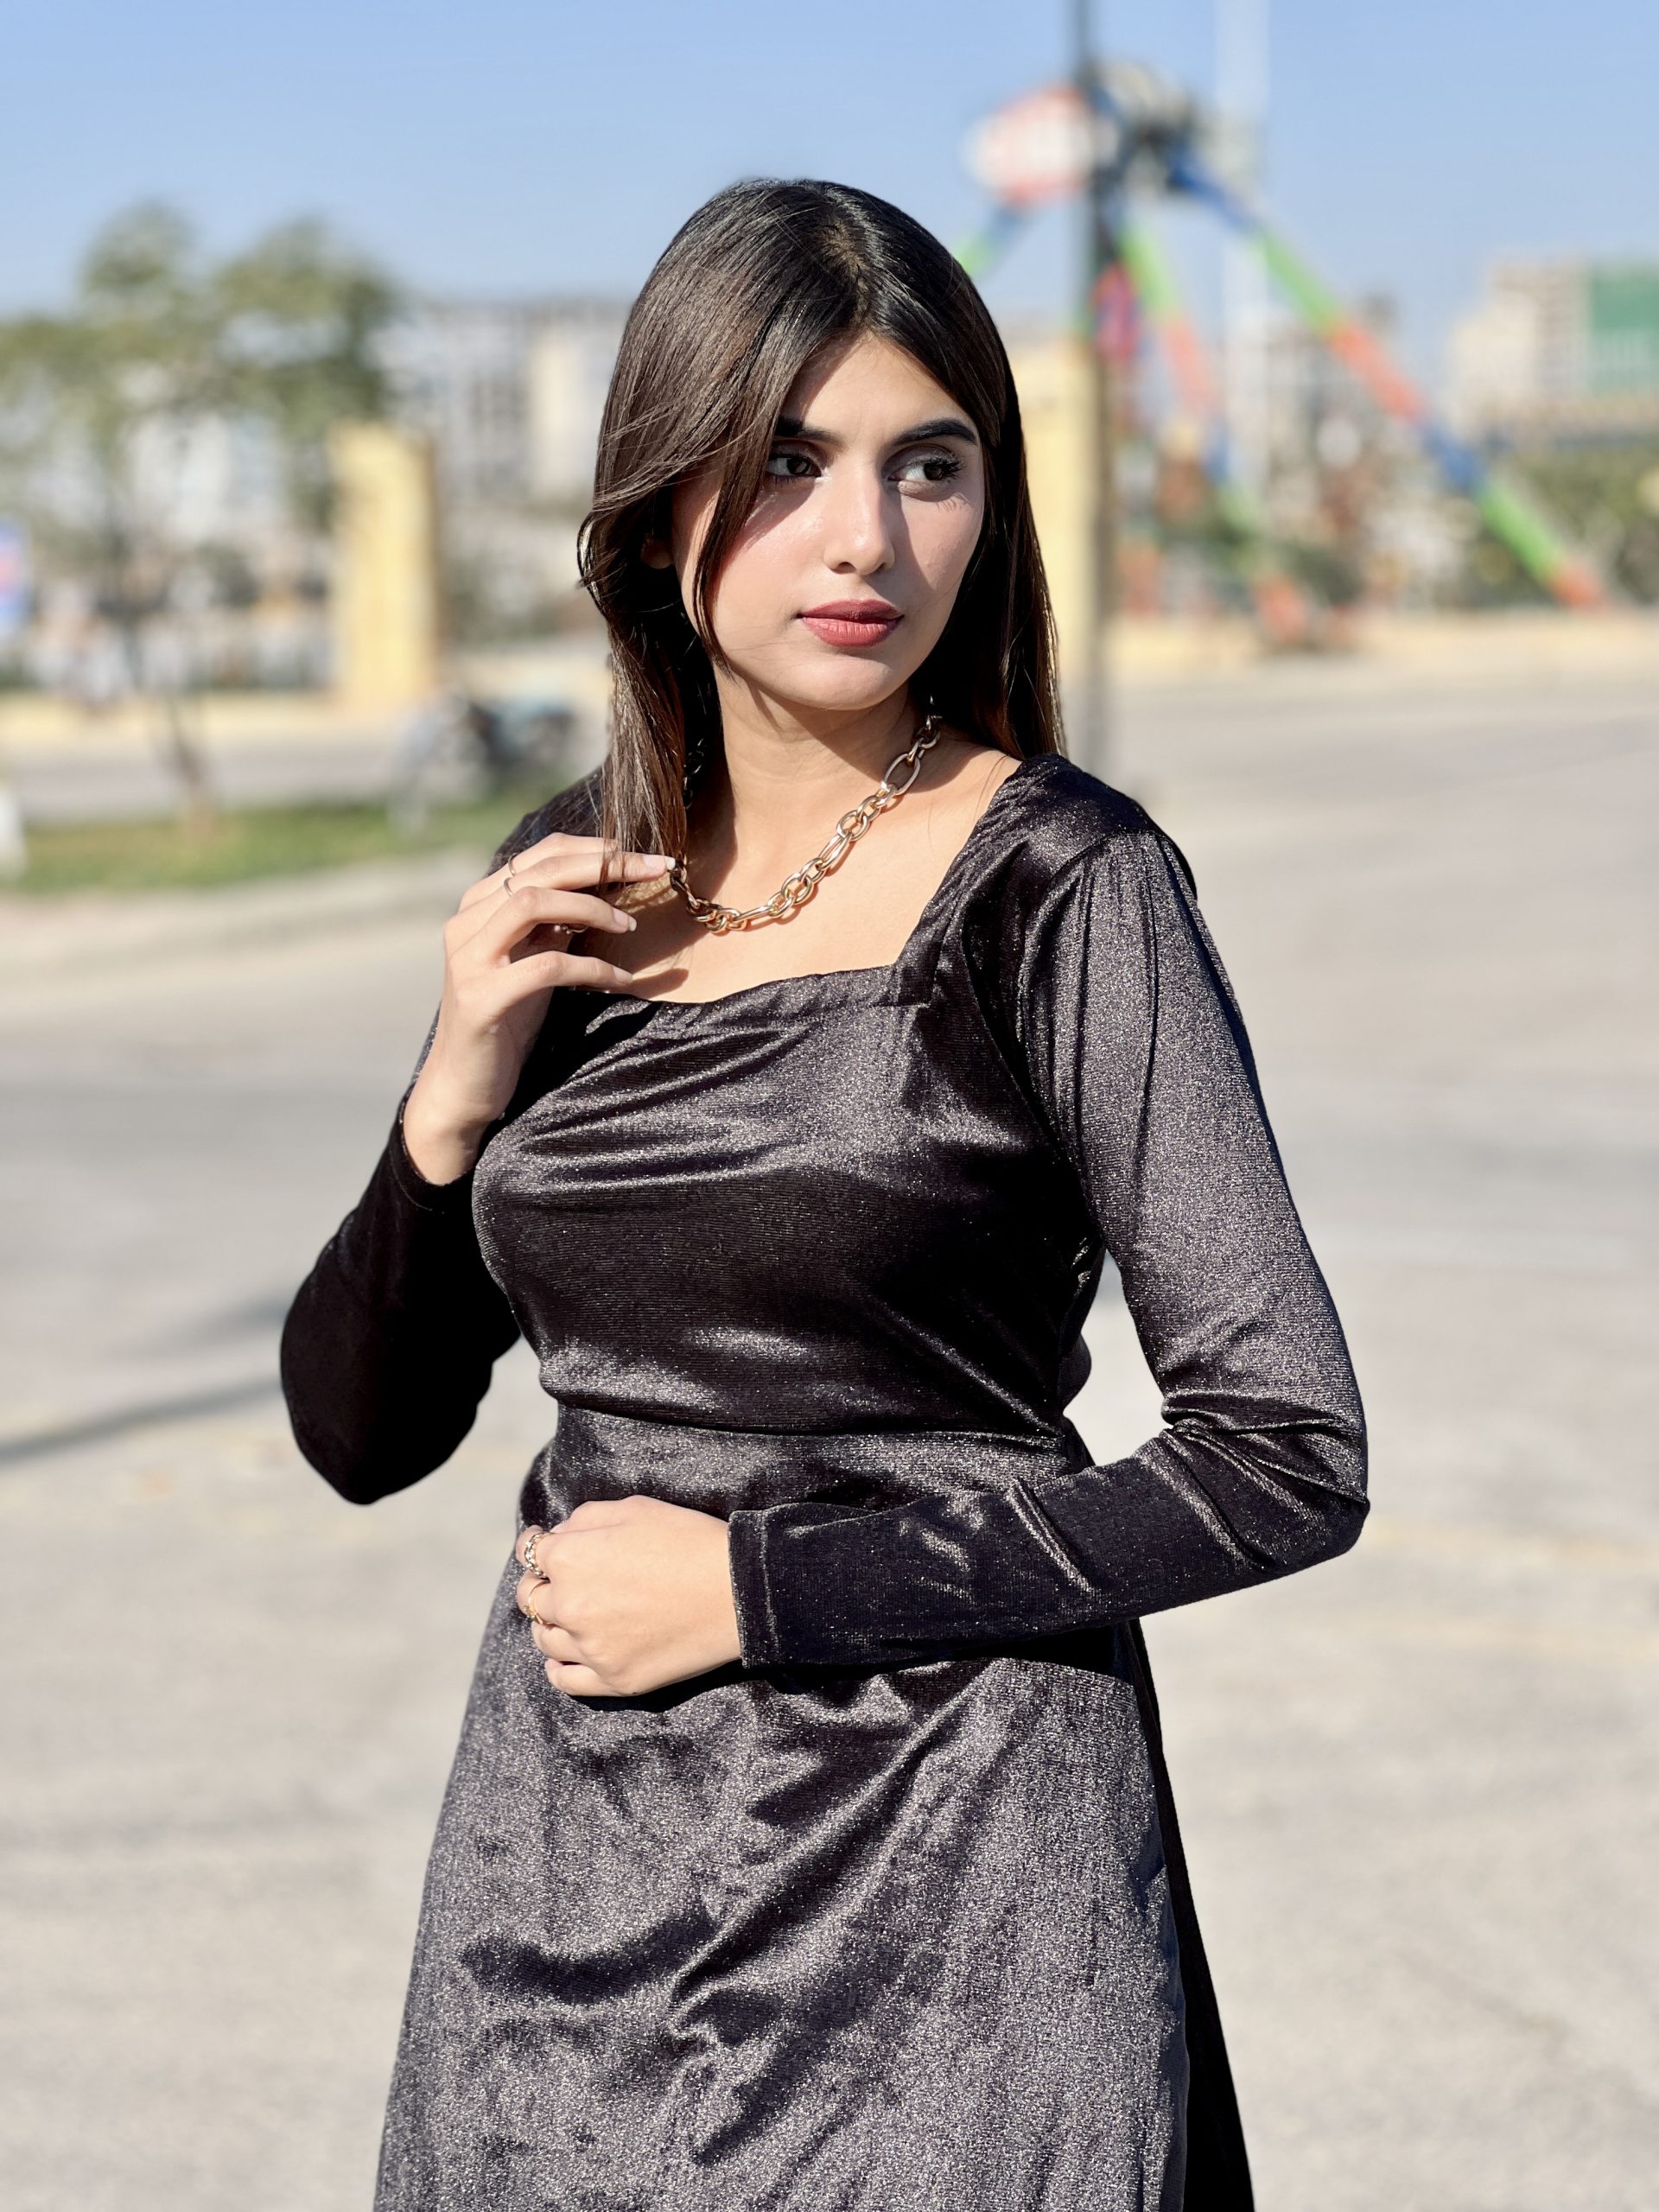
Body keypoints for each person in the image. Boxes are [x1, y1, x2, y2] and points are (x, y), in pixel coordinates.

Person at [280, 178, 1367, 2212]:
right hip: (564, 1895)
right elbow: (361, 1432)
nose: (867, 535)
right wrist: (449, 1098)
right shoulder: (568, 883)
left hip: (956, 1894)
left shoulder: (1065, 885)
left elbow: (1285, 1452)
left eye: (927, 465)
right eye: (789, 461)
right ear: (656, 504)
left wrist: (758, 1591)